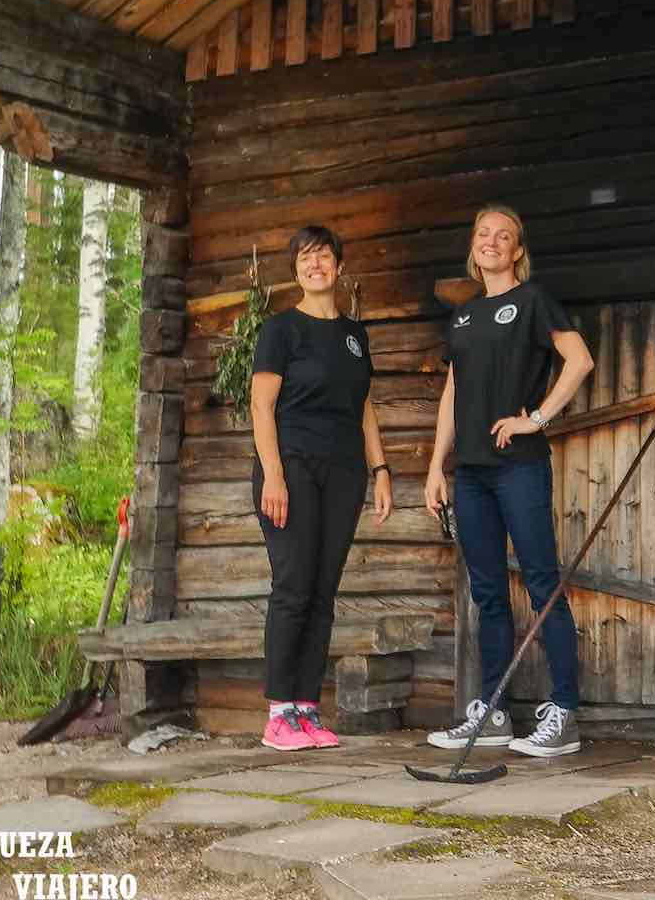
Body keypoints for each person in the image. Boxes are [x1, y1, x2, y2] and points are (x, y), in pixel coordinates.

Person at [424, 203, 595, 757]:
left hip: (519, 467)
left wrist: (536, 418)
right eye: (482, 234)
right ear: (473, 246)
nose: (491, 242)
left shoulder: (533, 300)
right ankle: (492, 713)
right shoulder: (465, 316)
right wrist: (436, 466)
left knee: (543, 584)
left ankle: (563, 713)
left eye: (503, 236)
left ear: (518, 250)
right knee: (488, 592)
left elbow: (579, 361)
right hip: (471, 474)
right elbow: (453, 391)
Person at [249, 224, 392, 750]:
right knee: (294, 585)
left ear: (338, 265)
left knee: (323, 590)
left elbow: (365, 408)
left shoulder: (355, 335)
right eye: (306, 257)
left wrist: (380, 470)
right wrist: (274, 475)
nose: (316, 264)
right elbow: (262, 406)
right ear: (296, 270)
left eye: (324, 255)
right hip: (291, 468)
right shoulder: (280, 330)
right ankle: (278, 712)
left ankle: (306, 707)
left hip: (344, 472)